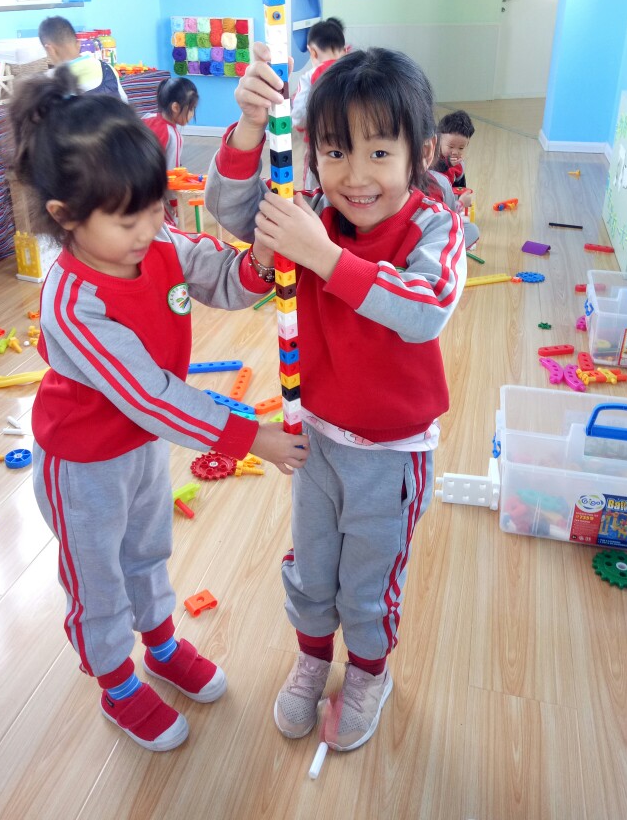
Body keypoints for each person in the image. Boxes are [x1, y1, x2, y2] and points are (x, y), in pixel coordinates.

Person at [7, 67, 309, 753]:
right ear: (65, 216)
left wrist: (262, 261)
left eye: (156, 209)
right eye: (128, 219)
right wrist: (250, 438)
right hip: (82, 464)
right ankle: (116, 683)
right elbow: (151, 395)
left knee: (148, 549)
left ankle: (162, 644)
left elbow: (224, 277)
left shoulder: (161, 242)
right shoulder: (73, 301)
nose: (151, 229)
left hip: (139, 447)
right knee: (99, 577)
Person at [205, 44, 466, 752]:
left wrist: (323, 255)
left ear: (420, 154)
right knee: (312, 565)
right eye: (335, 152)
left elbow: (425, 308)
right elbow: (232, 210)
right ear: (315, 154)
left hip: (392, 452)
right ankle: (314, 657)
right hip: (314, 435)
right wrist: (251, 127)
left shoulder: (435, 226)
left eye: (380, 153)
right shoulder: (312, 207)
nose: (355, 176)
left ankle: (370, 674)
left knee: (368, 582)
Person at [290, 17, 347, 187]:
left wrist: (297, 124)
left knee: (315, 182)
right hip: (352, 141)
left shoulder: (311, 77)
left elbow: (300, 115)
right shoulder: (355, 71)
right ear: (344, 49)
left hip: (321, 143)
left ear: (312, 52)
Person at [144, 77, 199, 226]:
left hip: (131, 186)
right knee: (169, 226)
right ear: (175, 107)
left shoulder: (147, 118)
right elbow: (170, 176)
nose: (192, 114)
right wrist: (174, 202)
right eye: (191, 109)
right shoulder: (174, 136)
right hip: (153, 193)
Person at [38, 16, 128, 102]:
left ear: (50, 49)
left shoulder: (50, 80)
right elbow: (124, 101)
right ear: (79, 43)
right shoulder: (107, 68)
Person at [431, 110, 475, 203]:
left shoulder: (459, 164)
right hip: (429, 197)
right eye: (451, 146)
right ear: (438, 140)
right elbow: (430, 168)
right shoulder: (431, 155)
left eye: (461, 148)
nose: (455, 152)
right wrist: (448, 163)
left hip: (446, 200)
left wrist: (461, 199)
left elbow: (460, 186)